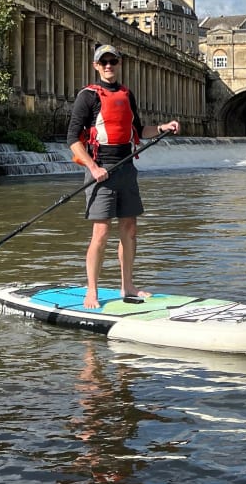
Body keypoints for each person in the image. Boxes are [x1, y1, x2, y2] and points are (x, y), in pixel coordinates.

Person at [67, 44, 180, 309]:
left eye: (113, 61)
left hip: (126, 167)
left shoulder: (127, 95)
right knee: (101, 232)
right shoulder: (87, 96)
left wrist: (163, 127)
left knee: (130, 230)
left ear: (119, 64)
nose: (109, 66)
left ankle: (127, 285)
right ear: (96, 66)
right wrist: (93, 168)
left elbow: (140, 130)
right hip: (101, 169)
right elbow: (72, 139)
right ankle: (91, 291)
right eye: (103, 62)